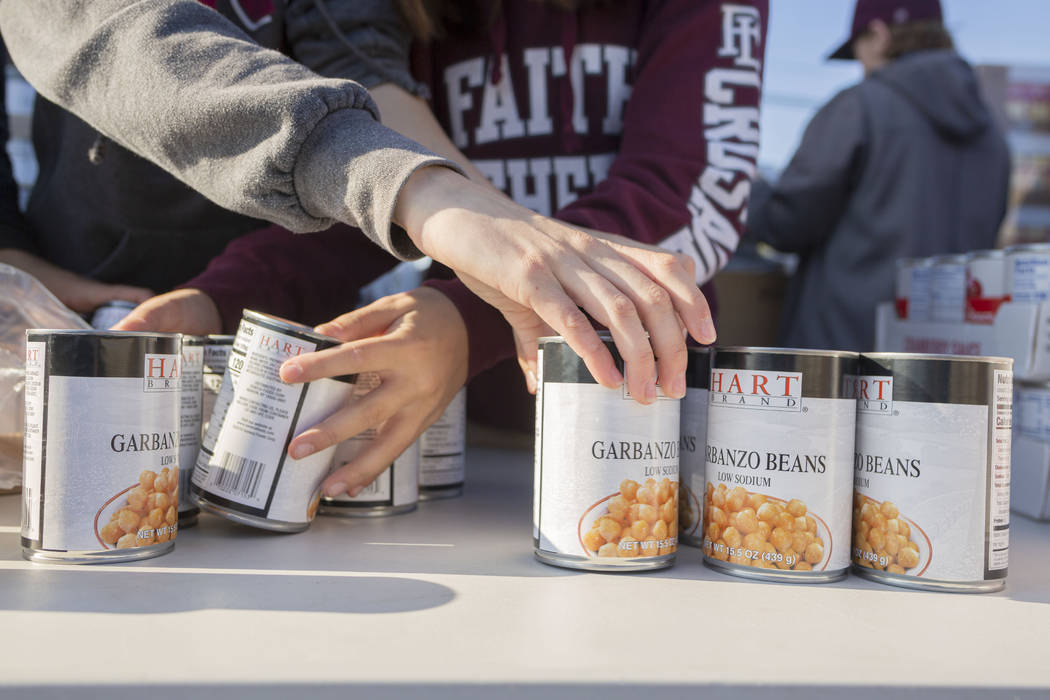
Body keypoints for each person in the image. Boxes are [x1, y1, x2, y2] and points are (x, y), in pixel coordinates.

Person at [117, 0, 768, 497]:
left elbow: (687, 198)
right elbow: (376, 200)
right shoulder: (414, 15)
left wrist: (463, 321)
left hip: (650, 430)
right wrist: (224, 296)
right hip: (456, 433)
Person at [0, 0, 710, 404]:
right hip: (54, 306)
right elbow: (114, 35)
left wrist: (481, 245)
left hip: (276, 334)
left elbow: (363, 70)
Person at [746, 0, 1010, 352]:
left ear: (879, 35)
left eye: (858, 52)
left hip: (847, 362)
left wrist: (748, 189)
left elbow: (786, 222)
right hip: (951, 364)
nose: (861, 67)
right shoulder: (992, 135)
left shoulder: (861, 107)